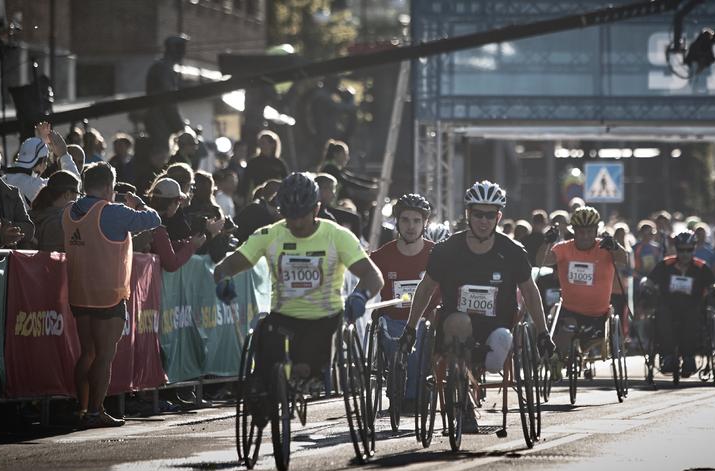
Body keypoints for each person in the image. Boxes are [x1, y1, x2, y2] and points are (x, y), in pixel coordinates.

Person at [397, 180, 555, 432]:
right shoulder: (446, 250)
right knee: (460, 321)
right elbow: (425, 288)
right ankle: (460, 393)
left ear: (498, 217)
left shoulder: (512, 251)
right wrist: (410, 328)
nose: (484, 220)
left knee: (501, 341)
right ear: (468, 214)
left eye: (490, 215)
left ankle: (485, 363)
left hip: (495, 326)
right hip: (455, 327)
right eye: (478, 214)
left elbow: (530, 291)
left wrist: (542, 333)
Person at [213, 172, 383, 403]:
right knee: (264, 347)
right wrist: (223, 280)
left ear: (316, 209)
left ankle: (305, 377)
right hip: (283, 316)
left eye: (302, 214)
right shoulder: (270, 234)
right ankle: (264, 400)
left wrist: (360, 296)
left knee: (307, 365)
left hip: (325, 317)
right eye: (289, 214)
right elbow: (227, 266)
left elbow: (372, 275)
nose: (296, 223)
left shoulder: (337, 236)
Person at [64, 162, 161, 428]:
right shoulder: (113, 212)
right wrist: (140, 204)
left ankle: (82, 409)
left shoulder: (69, 212)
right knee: (104, 356)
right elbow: (154, 220)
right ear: (110, 186)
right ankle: (96, 412)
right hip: (108, 293)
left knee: (87, 354)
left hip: (79, 292)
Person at [535, 206, 629, 380]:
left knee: (576, 328)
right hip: (569, 310)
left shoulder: (605, 248)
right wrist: (546, 242)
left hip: (598, 314)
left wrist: (616, 246)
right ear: (574, 231)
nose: (585, 236)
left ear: (596, 231)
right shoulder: (564, 248)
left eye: (589, 231)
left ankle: (569, 354)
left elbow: (624, 260)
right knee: (565, 328)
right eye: (581, 232)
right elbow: (541, 261)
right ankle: (558, 360)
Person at [369, 193, 439, 405]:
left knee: (422, 335)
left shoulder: (436, 253)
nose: (411, 226)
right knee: (399, 338)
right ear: (397, 222)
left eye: (417, 221)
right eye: (405, 220)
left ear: (425, 223)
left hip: (429, 323)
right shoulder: (381, 256)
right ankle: (403, 388)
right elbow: (365, 285)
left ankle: (415, 390)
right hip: (393, 322)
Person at [646, 232, 715, 376]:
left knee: (692, 318)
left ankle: (689, 357)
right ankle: (668, 357)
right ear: (676, 249)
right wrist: (646, 285)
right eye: (681, 250)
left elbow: (714, 283)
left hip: (692, 306)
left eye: (689, 250)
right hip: (668, 306)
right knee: (662, 316)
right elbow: (649, 280)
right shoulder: (665, 264)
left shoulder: (701, 267)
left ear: (694, 249)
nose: (685, 254)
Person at [145, 178, 210, 271]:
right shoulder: (158, 229)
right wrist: (192, 246)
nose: (179, 205)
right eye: (179, 201)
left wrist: (189, 242)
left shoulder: (145, 220)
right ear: (172, 203)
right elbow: (171, 264)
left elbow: (166, 246)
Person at [145, 35, 188, 148]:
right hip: (160, 120)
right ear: (173, 49)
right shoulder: (163, 68)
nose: (184, 52)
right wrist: (180, 127)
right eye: (181, 48)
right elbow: (168, 100)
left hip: (162, 120)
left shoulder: (167, 68)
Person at [29, 170, 81, 252]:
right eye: (78, 194)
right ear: (67, 194)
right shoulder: (59, 222)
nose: (78, 200)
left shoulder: (29, 215)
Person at [241, 130, 288, 198]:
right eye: (260, 143)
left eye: (263, 143)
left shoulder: (279, 163)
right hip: (258, 197)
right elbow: (246, 182)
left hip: (274, 198)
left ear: (272, 144)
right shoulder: (253, 162)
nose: (261, 145)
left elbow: (285, 181)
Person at [313, 173, 362, 238]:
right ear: (321, 189)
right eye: (331, 189)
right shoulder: (326, 217)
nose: (334, 195)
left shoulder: (327, 214)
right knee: (355, 218)